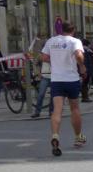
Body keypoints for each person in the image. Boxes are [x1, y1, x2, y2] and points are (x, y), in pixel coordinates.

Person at [41, 21, 86, 156]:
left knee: (57, 110)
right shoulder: (75, 41)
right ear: (73, 30)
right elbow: (79, 55)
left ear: (61, 30)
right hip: (71, 79)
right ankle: (78, 137)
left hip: (57, 80)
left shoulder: (51, 41)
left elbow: (44, 57)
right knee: (75, 109)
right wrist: (82, 66)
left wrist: (55, 61)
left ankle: (55, 135)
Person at [30, 52, 53, 118]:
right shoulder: (42, 55)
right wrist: (38, 73)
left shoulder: (55, 53)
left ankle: (51, 111)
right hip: (44, 76)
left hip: (54, 76)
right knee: (41, 94)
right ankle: (37, 112)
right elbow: (35, 63)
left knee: (53, 95)